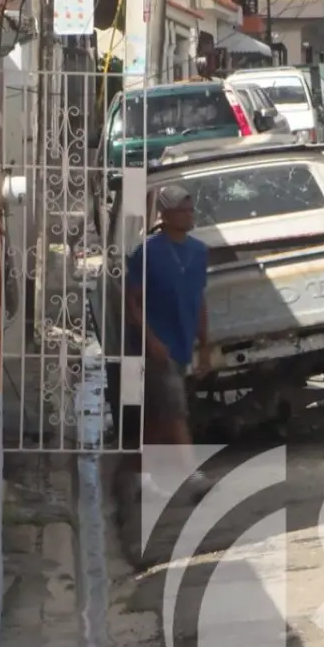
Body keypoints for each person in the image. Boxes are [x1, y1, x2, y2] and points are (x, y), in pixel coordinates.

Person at [123, 184, 214, 500]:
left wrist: (205, 346)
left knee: (159, 416)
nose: (189, 215)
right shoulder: (147, 253)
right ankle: (193, 475)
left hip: (181, 342)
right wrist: (150, 339)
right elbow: (131, 302)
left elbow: (198, 299)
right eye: (182, 210)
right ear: (165, 215)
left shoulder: (199, 252)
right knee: (175, 409)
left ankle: (136, 474)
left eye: (190, 209)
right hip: (155, 347)